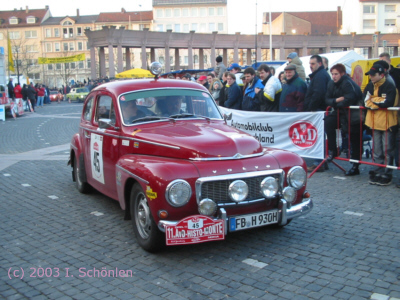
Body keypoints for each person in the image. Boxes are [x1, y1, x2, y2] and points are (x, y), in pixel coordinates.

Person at [324, 63, 364, 176]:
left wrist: (335, 103)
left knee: (355, 139)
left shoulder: (348, 83)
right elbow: (327, 99)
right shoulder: (331, 83)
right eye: (332, 74)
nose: (334, 76)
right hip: (340, 112)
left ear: (342, 74)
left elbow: (350, 98)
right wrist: (337, 100)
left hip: (353, 115)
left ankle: (356, 165)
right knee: (328, 122)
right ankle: (333, 150)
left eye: (336, 74)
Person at [364, 63, 398, 186]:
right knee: (377, 149)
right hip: (375, 121)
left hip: (387, 122)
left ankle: (387, 173)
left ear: (381, 75)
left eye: (373, 75)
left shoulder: (389, 85)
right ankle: (378, 170)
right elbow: (365, 101)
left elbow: (388, 102)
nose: (371, 77)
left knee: (387, 149)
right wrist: (375, 102)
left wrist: (373, 100)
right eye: (370, 75)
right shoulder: (370, 85)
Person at [304, 55, 331, 172]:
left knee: (318, 136)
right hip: (318, 109)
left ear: (320, 64)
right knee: (319, 136)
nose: (311, 66)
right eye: (310, 63)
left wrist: (311, 107)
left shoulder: (320, 76)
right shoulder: (319, 75)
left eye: (313, 63)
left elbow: (318, 93)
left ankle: (319, 162)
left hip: (318, 110)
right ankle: (320, 161)